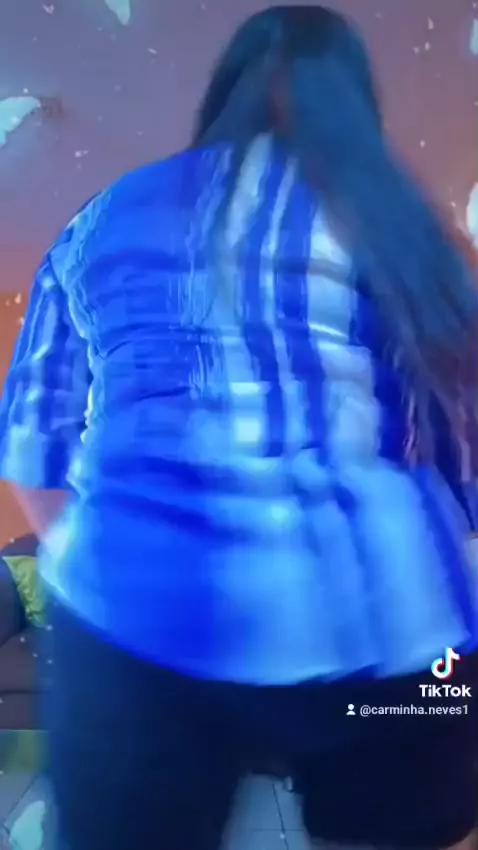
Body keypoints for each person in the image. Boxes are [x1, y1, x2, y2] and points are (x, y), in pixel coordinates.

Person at [0, 5, 477, 850]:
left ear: (224, 93)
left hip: (140, 612)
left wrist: (102, 559)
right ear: (353, 102)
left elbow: (35, 442)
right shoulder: (397, 222)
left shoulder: (101, 219)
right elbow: (459, 446)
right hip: (388, 619)